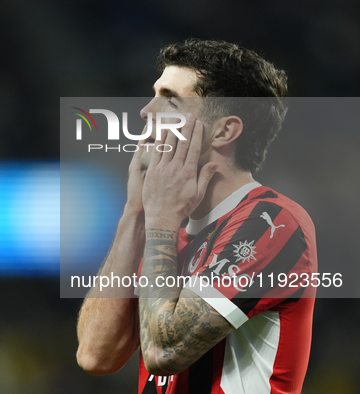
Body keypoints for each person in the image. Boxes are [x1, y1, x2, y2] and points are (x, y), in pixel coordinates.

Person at [76, 39, 317, 394]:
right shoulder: (167, 225)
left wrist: (158, 219)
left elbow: (164, 351)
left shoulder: (274, 222)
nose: (145, 111)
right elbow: (96, 355)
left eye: (170, 99)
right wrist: (137, 213)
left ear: (224, 131)